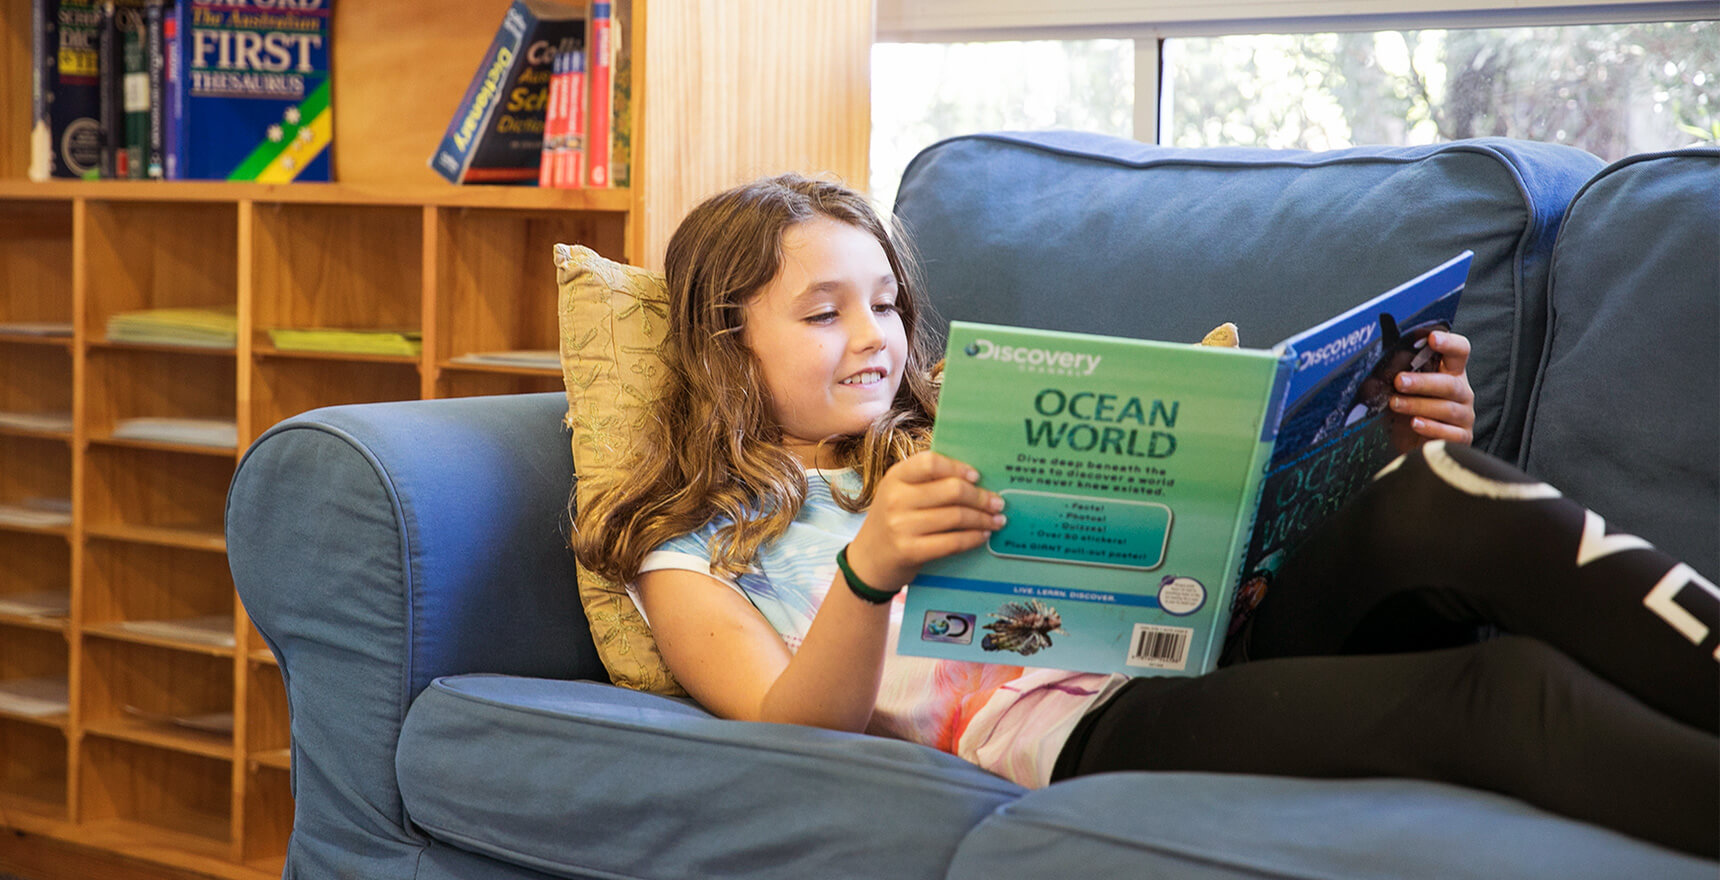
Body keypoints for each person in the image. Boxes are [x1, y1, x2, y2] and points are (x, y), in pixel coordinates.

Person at [572, 174, 1718, 858]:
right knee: (1503, 693)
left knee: (1448, 494)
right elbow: (786, 738)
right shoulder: (693, 550)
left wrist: (1390, 434)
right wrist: (868, 575)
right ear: (725, 343)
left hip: (1212, 637)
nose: (874, 337)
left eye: (884, 302)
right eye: (823, 313)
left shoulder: (941, 437)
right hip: (1083, 732)